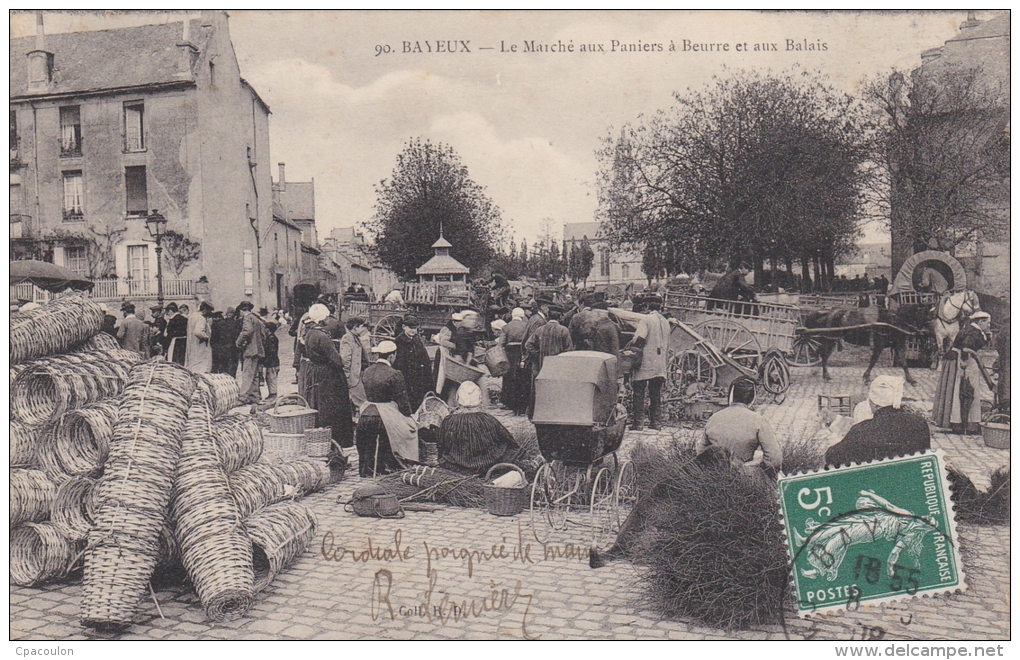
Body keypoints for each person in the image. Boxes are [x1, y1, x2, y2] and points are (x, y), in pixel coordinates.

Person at [826, 375, 930, 467]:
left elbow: (832, 457)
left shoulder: (862, 430)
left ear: (875, 404)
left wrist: (833, 442)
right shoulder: (920, 423)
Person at [356, 340, 418, 477]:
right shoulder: (395, 374)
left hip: (366, 411)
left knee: (368, 440)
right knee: (408, 431)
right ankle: (390, 465)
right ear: (392, 356)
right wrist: (409, 416)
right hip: (384, 414)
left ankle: (367, 469)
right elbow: (402, 402)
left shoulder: (367, 371)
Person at [300, 304, 356, 449]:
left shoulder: (310, 333)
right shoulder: (322, 336)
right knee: (335, 407)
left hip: (317, 372)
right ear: (321, 319)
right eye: (326, 318)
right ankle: (338, 441)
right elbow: (337, 360)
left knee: (321, 404)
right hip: (330, 374)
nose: (328, 320)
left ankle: (324, 438)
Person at [702, 376, 783, 474]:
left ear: (731, 396)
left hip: (714, 475)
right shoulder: (758, 420)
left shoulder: (713, 418)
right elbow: (775, 459)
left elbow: (701, 453)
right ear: (752, 399)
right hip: (744, 477)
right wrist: (753, 464)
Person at [438, 381, 522, 476]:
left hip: (456, 468)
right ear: (480, 399)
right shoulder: (488, 419)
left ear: (458, 399)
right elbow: (510, 441)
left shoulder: (448, 420)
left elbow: (441, 446)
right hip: (486, 468)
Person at [932, 311, 991, 434]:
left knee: (955, 390)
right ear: (980, 322)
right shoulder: (974, 332)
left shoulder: (968, 329)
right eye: (988, 323)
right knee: (967, 389)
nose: (989, 326)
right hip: (964, 360)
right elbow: (966, 347)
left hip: (955, 358)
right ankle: (967, 423)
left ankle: (956, 421)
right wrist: (964, 362)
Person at [628, 296, 671, 430]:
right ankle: (655, 422)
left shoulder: (646, 319)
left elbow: (640, 338)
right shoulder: (665, 321)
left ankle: (638, 423)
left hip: (646, 361)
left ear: (647, 306)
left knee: (639, 391)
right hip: (660, 363)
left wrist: (632, 344)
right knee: (655, 393)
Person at [524, 307, 573, 419]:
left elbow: (528, 345)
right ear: (559, 317)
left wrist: (538, 355)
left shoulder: (540, 330)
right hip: (558, 367)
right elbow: (569, 350)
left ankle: (535, 414)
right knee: (557, 390)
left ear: (548, 317)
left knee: (539, 389)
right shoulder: (563, 330)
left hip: (541, 365)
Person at [393, 314, 434, 412]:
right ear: (403, 327)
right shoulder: (399, 342)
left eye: (415, 329)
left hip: (419, 378)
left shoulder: (417, 339)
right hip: (406, 379)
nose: (413, 331)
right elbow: (398, 364)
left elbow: (425, 358)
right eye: (411, 328)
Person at [235, 301, 266, 405]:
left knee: (247, 374)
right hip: (258, 350)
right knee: (255, 375)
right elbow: (263, 333)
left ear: (241, 310)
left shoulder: (247, 318)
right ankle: (255, 397)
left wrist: (238, 342)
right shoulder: (257, 319)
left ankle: (242, 398)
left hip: (250, 351)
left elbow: (247, 331)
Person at [500, 308, 529, 415]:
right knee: (522, 377)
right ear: (522, 316)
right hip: (522, 352)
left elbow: (501, 342)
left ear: (512, 315)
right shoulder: (526, 326)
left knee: (509, 376)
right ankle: (522, 403)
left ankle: (509, 402)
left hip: (510, 353)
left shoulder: (506, 327)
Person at [339, 316, 371, 410]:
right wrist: (347, 378)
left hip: (356, 377)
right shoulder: (348, 338)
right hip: (353, 379)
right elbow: (345, 360)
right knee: (362, 403)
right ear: (355, 327)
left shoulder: (354, 337)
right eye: (362, 326)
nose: (363, 329)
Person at [184, 301, 214, 374]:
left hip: (192, 346)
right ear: (205, 310)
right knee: (202, 368)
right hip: (201, 347)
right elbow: (198, 332)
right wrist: (206, 337)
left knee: (193, 366)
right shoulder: (201, 319)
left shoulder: (192, 317)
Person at [262, 321, 280, 402]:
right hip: (273, 362)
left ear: (268, 329)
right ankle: (271, 393)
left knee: (271, 378)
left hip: (272, 362)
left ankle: (273, 394)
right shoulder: (272, 338)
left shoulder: (271, 339)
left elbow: (271, 352)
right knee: (269, 378)